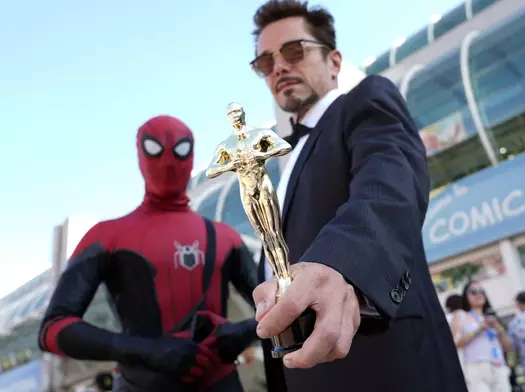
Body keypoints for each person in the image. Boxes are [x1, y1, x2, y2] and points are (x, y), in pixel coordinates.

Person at [249, 1, 467, 391]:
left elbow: (389, 185)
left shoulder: (365, 99)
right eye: (266, 63)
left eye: (294, 51)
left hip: (386, 367)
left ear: (334, 61)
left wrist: (340, 264)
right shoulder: (281, 160)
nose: (279, 66)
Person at [38, 115, 260, 392]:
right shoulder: (107, 237)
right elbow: (53, 330)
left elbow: (276, 308)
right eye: (155, 148)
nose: (168, 161)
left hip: (213, 381)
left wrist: (242, 332)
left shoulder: (225, 237)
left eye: (180, 150)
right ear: (140, 153)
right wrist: (149, 350)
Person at [450, 281, 512, 392]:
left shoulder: (492, 316)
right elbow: (456, 343)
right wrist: (479, 329)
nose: (479, 294)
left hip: (498, 365)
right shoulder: (461, 315)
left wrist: (499, 329)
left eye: (481, 291)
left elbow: (507, 347)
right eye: (473, 292)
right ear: (465, 296)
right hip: (475, 367)